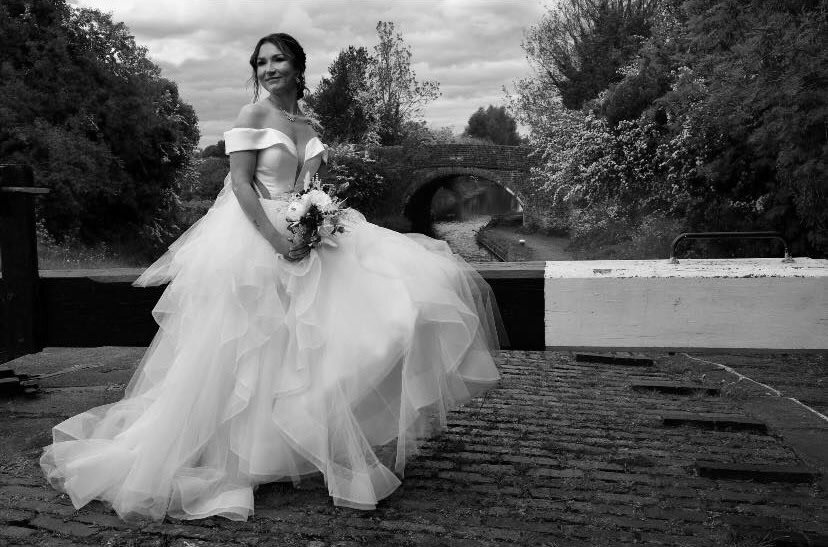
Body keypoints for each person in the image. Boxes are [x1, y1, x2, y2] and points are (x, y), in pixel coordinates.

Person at [39, 33, 504, 522]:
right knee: (257, 351)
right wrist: (278, 242)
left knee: (376, 321)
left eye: (278, 59)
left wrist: (319, 220)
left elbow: (311, 187)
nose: (268, 68)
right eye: (260, 62)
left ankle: (310, 439)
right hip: (258, 239)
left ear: (298, 67)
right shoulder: (253, 115)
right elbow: (241, 185)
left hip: (310, 234)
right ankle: (244, 455)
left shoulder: (306, 124)